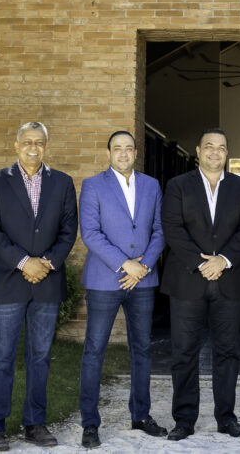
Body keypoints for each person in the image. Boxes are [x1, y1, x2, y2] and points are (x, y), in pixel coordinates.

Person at [0, 121, 78, 453]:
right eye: (27, 142)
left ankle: (35, 424)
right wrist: (25, 262)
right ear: (16, 145)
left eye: (39, 142)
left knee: (40, 357)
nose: (33, 147)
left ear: (46, 147)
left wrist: (46, 263)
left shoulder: (62, 183)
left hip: (46, 282)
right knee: (2, 357)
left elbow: (68, 230)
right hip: (9, 281)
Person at [160, 128, 240, 441]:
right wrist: (202, 262)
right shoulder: (178, 185)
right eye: (209, 147)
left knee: (227, 352)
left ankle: (226, 418)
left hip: (230, 280)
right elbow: (172, 227)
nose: (215, 152)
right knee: (184, 352)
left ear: (227, 153)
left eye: (221, 148)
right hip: (188, 279)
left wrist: (223, 260)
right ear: (198, 151)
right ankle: (184, 419)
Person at [77, 130, 167, 448]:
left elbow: (159, 229)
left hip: (143, 280)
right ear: (109, 153)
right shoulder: (92, 185)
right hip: (105, 279)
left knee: (142, 349)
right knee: (94, 350)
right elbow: (90, 232)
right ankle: (90, 422)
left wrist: (143, 266)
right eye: (118, 149)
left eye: (129, 148)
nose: (124, 153)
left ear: (136, 153)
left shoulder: (152, 185)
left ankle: (140, 415)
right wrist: (125, 264)